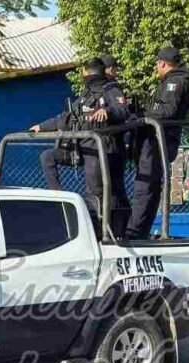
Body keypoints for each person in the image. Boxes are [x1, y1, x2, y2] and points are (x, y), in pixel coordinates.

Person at [31, 58, 130, 238]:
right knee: (48, 156)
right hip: (78, 148)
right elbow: (66, 118)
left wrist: (107, 112)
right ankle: (59, 197)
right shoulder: (85, 95)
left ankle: (102, 233)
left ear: (86, 72)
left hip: (99, 149)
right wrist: (41, 126)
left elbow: (123, 111)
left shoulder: (111, 90)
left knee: (96, 193)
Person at [126, 46, 189, 240]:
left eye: (157, 64)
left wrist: (141, 117)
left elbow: (167, 111)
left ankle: (134, 232)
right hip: (161, 140)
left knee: (145, 185)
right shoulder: (178, 80)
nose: (157, 68)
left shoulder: (174, 83)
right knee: (151, 187)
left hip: (159, 140)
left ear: (162, 64)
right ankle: (140, 230)